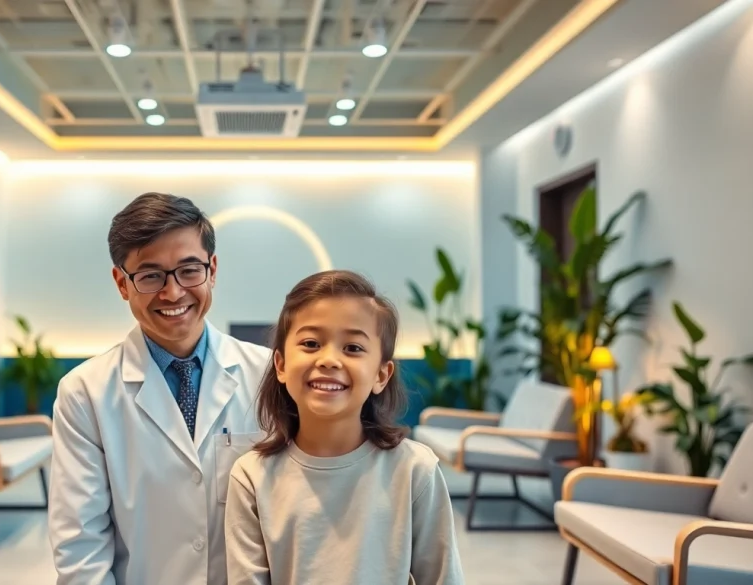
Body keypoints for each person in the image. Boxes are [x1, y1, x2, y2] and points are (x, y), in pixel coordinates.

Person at [48, 192, 273, 585]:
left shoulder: (269, 374)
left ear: (212, 270)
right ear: (122, 283)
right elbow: (80, 544)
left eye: (189, 270)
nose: (173, 293)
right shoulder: (85, 392)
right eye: (151, 276)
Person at [224, 270, 465, 585]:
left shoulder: (415, 471)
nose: (329, 360)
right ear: (281, 365)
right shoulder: (251, 476)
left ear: (381, 374)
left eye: (352, 348)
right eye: (311, 343)